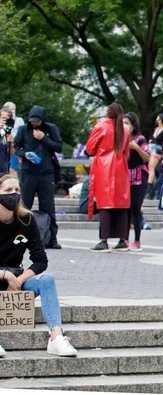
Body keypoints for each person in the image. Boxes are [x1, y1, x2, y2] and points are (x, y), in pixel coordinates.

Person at [0, 173, 78, 357]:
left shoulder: (26, 219)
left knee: (47, 279)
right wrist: (4, 275)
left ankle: (56, 337)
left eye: (17, 190)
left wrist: (17, 280)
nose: (14, 194)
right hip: (2, 276)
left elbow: (40, 259)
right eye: (8, 190)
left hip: (16, 278)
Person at [13, 105, 63, 249]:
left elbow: (58, 146)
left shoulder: (51, 129)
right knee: (24, 206)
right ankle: (20, 237)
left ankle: (51, 238)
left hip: (46, 173)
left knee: (48, 207)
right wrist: (24, 154)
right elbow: (16, 146)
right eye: (32, 121)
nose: (34, 123)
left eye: (37, 121)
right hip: (29, 173)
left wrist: (43, 139)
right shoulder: (23, 130)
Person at [85, 103, 131, 253]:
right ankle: (123, 240)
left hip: (104, 167)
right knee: (121, 203)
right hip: (121, 168)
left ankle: (104, 240)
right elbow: (127, 152)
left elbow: (90, 148)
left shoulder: (101, 127)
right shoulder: (125, 130)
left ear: (108, 113)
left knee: (105, 203)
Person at [124, 112, 150, 252]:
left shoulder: (139, 139)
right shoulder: (120, 140)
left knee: (135, 208)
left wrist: (136, 148)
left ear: (133, 125)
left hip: (139, 177)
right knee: (126, 209)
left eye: (127, 123)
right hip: (125, 177)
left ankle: (137, 240)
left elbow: (147, 158)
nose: (124, 126)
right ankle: (125, 239)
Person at [147, 113, 163, 199]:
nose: (157, 120)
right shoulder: (156, 129)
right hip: (151, 149)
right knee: (153, 169)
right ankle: (153, 188)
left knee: (151, 167)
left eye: (158, 118)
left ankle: (149, 189)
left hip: (157, 150)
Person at [4, 102, 25, 178]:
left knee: (12, 169)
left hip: (14, 146)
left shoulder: (19, 120)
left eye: (14, 109)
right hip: (3, 146)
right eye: (11, 109)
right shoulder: (2, 120)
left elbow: (23, 134)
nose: (13, 111)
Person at [0, 107, 15, 175]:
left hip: (4, 169)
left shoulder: (7, 133)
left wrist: (10, 143)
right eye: (3, 119)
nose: (4, 122)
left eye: (7, 120)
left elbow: (11, 154)